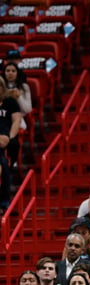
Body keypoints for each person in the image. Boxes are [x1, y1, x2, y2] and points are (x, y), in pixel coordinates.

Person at [1, 62, 32, 167]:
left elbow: (28, 109)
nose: (10, 73)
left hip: (19, 118)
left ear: (17, 73)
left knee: (12, 138)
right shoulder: (1, 87)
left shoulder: (24, 87)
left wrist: (18, 96)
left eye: (13, 71)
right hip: (3, 118)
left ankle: (11, 160)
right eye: (7, 71)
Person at [0, 76, 21, 213]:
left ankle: (4, 201)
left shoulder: (10, 102)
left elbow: (16, 121)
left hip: (5, 138)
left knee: (2, 164)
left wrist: (11, 138)